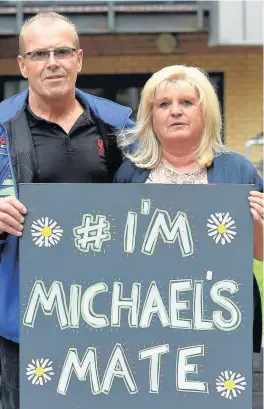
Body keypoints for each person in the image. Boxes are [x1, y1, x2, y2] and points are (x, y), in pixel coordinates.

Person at [0, 12, 133, 409]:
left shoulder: (120, 125)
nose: (52, 62)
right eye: (39, 53)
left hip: (106, 310)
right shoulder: (2, 126)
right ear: (23, 65)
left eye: (61, 51)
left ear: (79, 58)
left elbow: (153, 199)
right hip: (22, 315)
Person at [115, 64, 263, 350]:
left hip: (221, 315)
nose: (175, 111)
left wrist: (257, 220)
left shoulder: (237, 170)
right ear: (150, 117)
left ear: (205, 112)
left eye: (187, 102)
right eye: (163, 104)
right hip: (148, 316)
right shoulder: (129, 174)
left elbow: (261, 253)